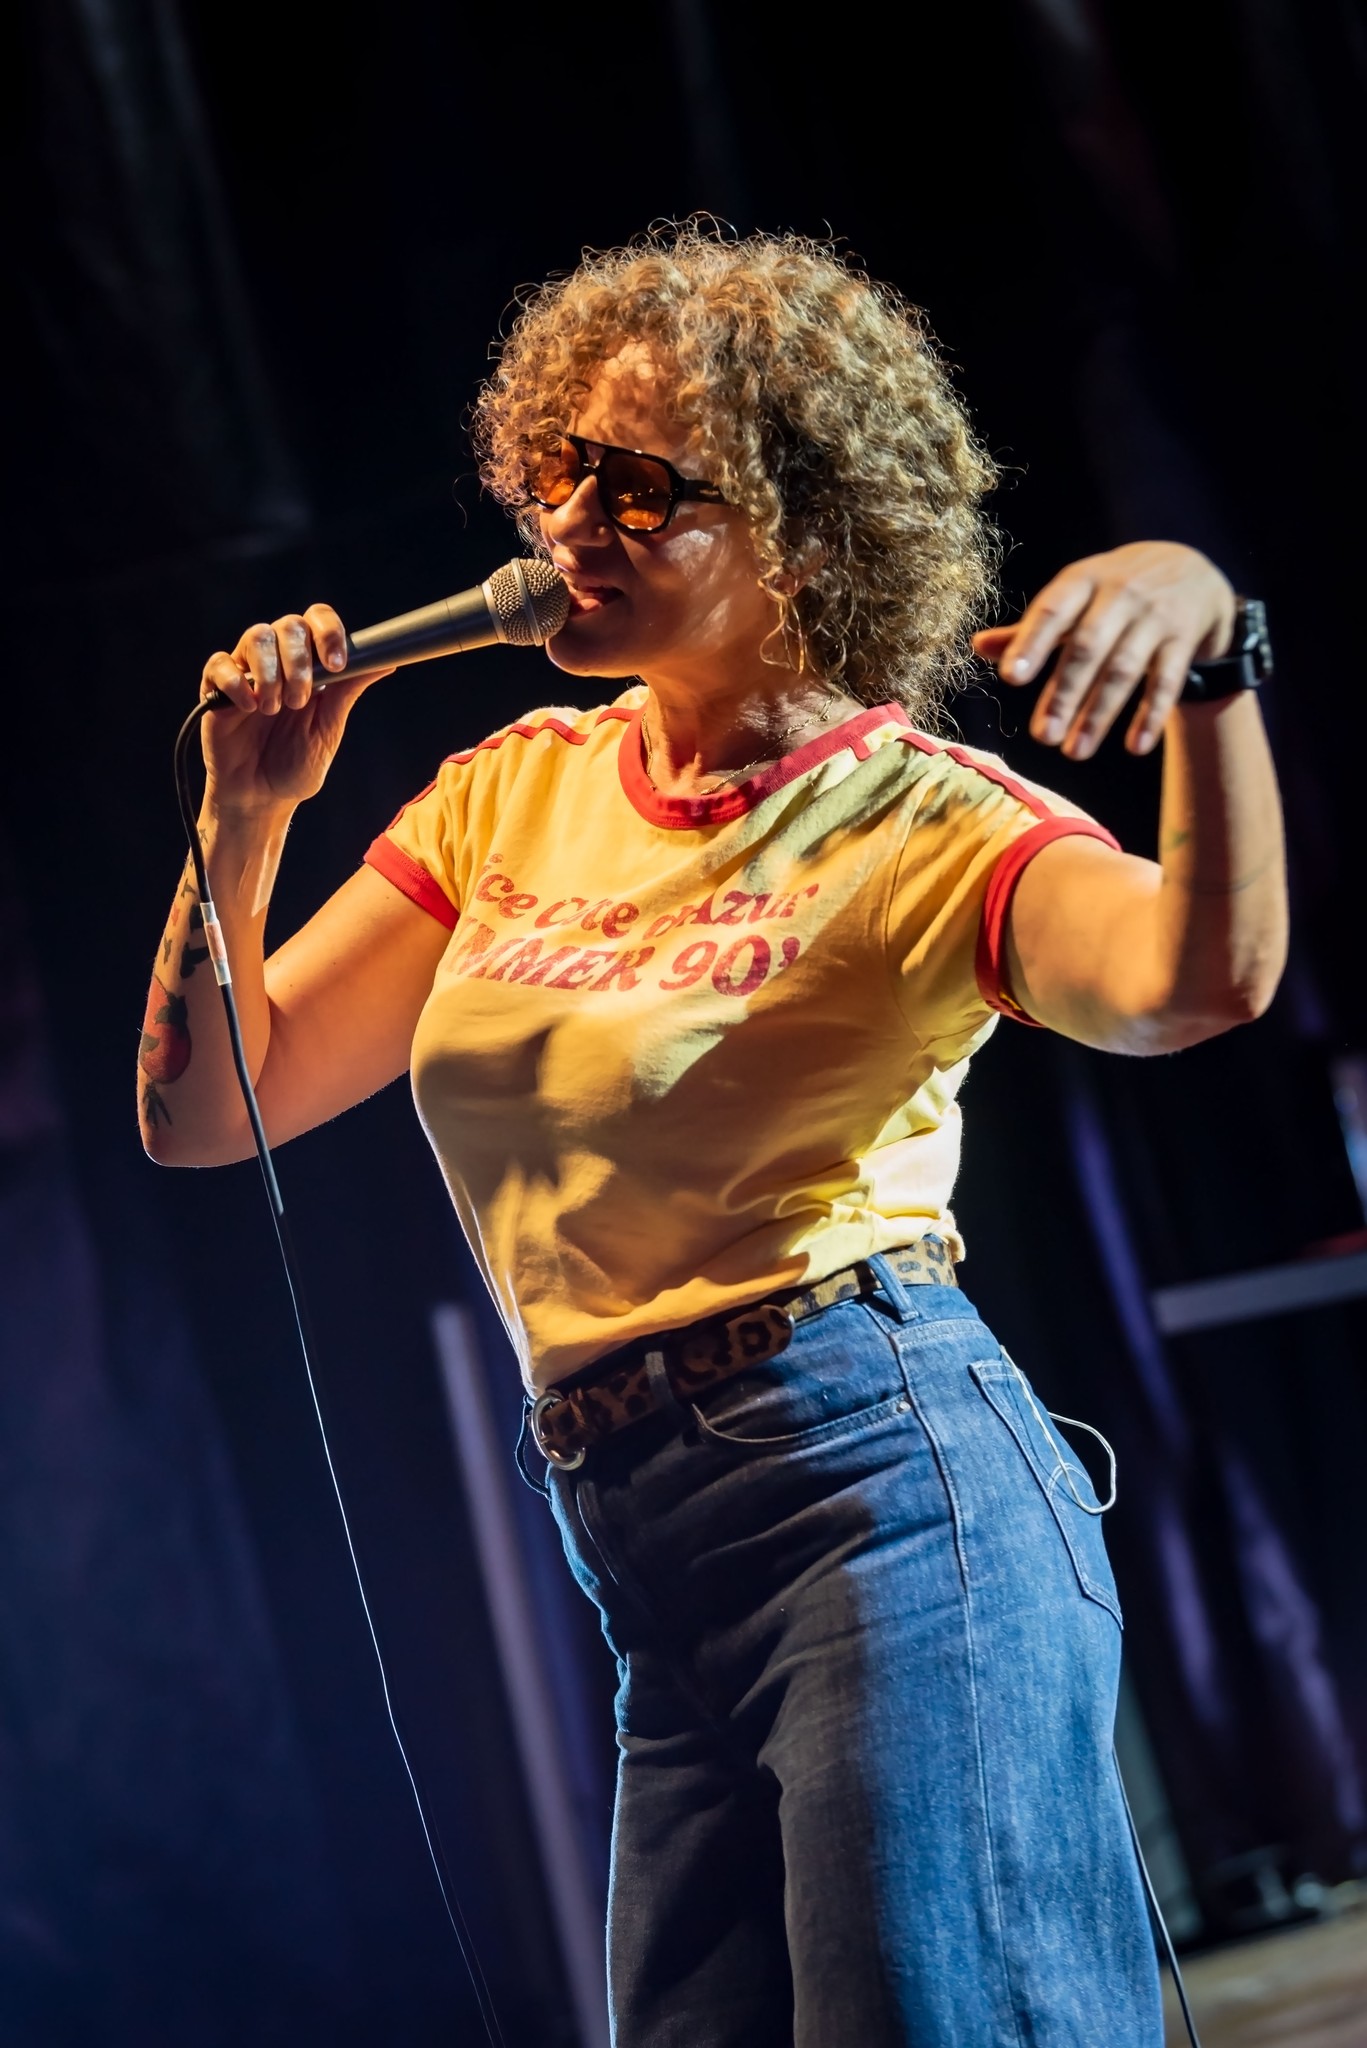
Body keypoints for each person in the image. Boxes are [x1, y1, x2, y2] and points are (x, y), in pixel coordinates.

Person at [139, 227, 1287, 2046]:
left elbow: (1194, 982)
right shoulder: (512, 791)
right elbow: (210, 1113)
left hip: (880, 1492)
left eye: (641, 485)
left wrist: (1215, 654)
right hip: (638, 1547)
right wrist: (243, 816)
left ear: (805, 534)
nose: (569, 520)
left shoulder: (917, 815)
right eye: (556, 468)